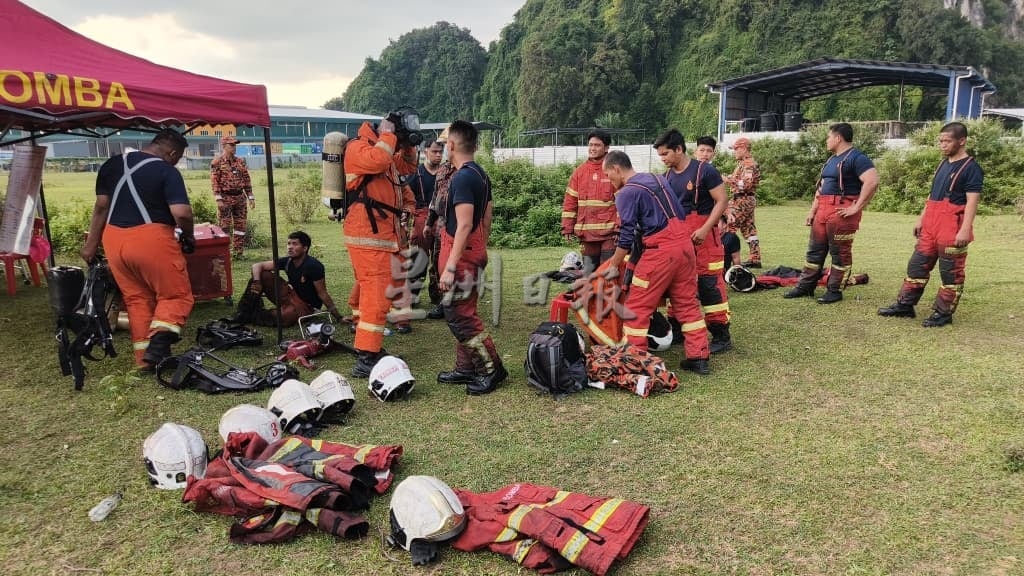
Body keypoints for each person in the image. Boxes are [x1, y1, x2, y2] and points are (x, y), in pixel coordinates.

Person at [80, 129, 194, 370]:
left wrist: (90, 245)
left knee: (136, 299)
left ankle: (144, 360)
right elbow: (181, 213)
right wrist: (189, 234)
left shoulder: (111, 164)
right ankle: (158, 348)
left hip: (113, 239)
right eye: (178, 157)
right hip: (151, 237)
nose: (176, 161)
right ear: (172, 152)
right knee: (175, 295)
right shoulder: (166, 170)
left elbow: (101, 207)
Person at [601, 150, 711, 374]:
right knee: (687, 304)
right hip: (685, 247)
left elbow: (626, 235)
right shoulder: (657, 178)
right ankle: (699, 357)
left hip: (660, 252)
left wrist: (614, 264)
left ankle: (637, 363)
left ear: (616, 169)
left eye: (607, 174)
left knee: (636, 308)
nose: (608, 179)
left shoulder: (626, 193)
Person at [878, 122, 982, 327]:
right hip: (931, 224)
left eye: (947, 141)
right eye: (941, 141)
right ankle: (905, 305)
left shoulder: (971, 168)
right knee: (917, 265)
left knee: (950, 271)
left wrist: (964, 229)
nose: (942, 145)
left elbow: (972, 201)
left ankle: (943, 313)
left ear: (962, 141)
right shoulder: (943, 164)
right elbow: (932, 196)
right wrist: (921, 219)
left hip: (952, 226)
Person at [343, 115, 418, 377]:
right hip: (368, 234)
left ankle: (365, 341)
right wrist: (388, 134)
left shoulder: (384, 149)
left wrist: (406, 144)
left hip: (384, 234)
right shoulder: (358, 148)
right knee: (376, 295)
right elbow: (378, 159)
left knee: (372, 291)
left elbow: (407, 167)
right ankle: (367, 356)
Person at [436, 120, 507, 395]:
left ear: (452, 145)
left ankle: (492, 369)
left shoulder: (463, 177)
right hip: (472, 249)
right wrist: (481, 248)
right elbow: (486, 218)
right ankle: (466, 367)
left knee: (460, 316)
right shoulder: (480, 174)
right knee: (464, 311)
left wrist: (451, 267)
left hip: (460, 253)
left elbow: (464, 224)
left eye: (445, 144)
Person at [655, 129, 733, 355]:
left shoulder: (705, 171)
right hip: (680, 239)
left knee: (709, 286)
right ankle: (677, 329)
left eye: (666, 154)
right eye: (661, 155)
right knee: (677, 284)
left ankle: (721, 334)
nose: (664, 159)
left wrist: (705, 228)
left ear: (679, 149)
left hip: (705, 240)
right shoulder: (668, 177)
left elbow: (722, 200)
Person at [784, 123, 878, 303]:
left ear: (838, 138)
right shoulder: (831, 160)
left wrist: (856, 207)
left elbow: (872, 180)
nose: (826, 141)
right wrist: (813, 211)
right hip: (823, 209)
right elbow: (821, 188)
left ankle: (834, 290)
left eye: (828, 137)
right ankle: (806, 287)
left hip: (841, 211)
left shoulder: (857, 158)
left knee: (840, 253)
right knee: (814, 251)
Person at [231, 231, 342, 327]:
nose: (290, 247)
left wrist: (339, 317)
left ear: (305, 248)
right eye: (289, 243)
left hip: (306, 306)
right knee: (262, 275)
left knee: (285, 317)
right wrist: (257, 282)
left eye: (295, 244)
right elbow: (257, 266)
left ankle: (254, 315)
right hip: (290, 295)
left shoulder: (314, 266)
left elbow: (322, 293)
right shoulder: (288, 261)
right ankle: (244, 312)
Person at [561, 129, 618, 274]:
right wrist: (567, 226)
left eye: (597, 145)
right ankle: (592, 297)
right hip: (587, 234)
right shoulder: (580, 172)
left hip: (610, 233)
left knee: (607, 272)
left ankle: (609, 297)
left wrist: (620, 228)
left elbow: (624, 202)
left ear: (606, 148)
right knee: (589, 272)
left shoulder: (615, 169)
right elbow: (570, 200)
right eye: (591, 145)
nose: (592, 148)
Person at [408, 139, 445, 320]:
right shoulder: (416, 173)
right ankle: (413, 294)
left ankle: (437, 295)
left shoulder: (446, 172)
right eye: (435, 151)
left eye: (440, 152)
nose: (438, 155)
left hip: (442, 218)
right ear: (425, 152)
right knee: (419, 258)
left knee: (440, 260)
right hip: (421, 215)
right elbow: (407, 199)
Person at [210, 135, 254, 258]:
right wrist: (218, 198)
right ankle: (224, 253)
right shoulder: (217, 162)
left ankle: (238, 252)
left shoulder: (240, 161)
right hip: (225, 198)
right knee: (224, 226)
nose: (234, 147)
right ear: (224, 146)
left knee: (240, 226)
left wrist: (250, 196)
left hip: (240, 197)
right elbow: (215, 181)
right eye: (231, 145)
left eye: (235, 145)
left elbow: (246, 179)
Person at [724, 137, 763, 268]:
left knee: (730, 225)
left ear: (743, 149)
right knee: (749, 229)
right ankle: (755, 258)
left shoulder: (748, 164)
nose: (734, 152)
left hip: (743, 199)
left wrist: (727, 180)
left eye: (736, 149)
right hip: (745, 199)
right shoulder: (743, 164)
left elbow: (745, 184)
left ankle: (727, 257)